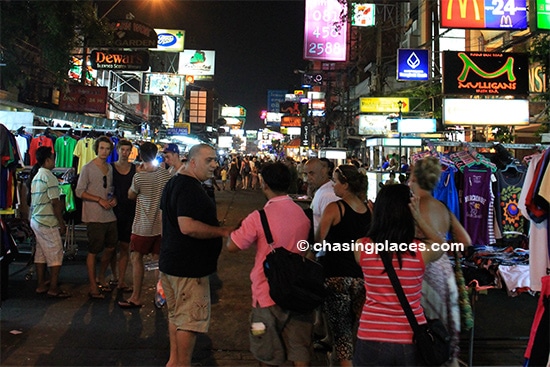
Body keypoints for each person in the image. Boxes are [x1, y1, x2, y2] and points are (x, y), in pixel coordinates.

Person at [227, 162, 313, 367]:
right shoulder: (303, 214)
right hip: (299, 292)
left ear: (264, 184)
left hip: (265, 295)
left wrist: (237, 228)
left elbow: (233, 246)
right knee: (300, 350)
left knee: (265, 350)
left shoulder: (258, 218)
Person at [353, 184, 446, 366]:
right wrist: (419, 218)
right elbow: (440, 243)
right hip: (410, 338)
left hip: (370, 335)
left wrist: (378, 217)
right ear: (410, 213)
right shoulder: (420, 250)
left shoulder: (361, 247)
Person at [159, 143, 233, 367]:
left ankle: (174, 362)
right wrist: (222, 231)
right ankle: (182, 363)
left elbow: (166, 225)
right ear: (192, 162)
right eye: (209, 160)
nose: (215, 165)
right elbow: (187, 226)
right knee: (189, 323)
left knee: (177, 317)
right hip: (188, 269)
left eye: (214, 160)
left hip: (172, 264)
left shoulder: (174, 182)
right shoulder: (189, 187)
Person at [409, 156, 472, 365]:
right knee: (441, 328)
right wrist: (444, 247)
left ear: (414, 178)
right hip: (444, 270)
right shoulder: (443, 207)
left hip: (420, 269)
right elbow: (465, 241)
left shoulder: (412, 207)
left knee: (422, 328)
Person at [316, 165, 371, 366]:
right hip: (361, 277)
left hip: (336, 276)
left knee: (341, 335)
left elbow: (318, 241)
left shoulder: (335, 208)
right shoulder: (368, 210)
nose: (333, 185)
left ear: (346, 185)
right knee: (357, 331)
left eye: (336, 181)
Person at [118, 142, 172, 309]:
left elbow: (131, 195)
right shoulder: (166, 175)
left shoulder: (139, 176)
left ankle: (136, 297)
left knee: (136, 258)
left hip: (142, 225)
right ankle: (160, 297)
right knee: (157, 261)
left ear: (140, 155)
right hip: (161, 226)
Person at [75, 136, 118, 299]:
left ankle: (101, 276)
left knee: (111, 247)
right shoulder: (87, 168)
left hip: (109, 214)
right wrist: (98, 199)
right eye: (101, 148)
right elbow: (80, 191)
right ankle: (93, 285)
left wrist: (114, 199)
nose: (104, 151)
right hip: (94, 215)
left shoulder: (110, 168)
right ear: (96, 149)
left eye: (107, 149)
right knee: (93, 249)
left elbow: (111, 189)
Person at [29, 146, 70, 298]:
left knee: (40, 253)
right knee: (56, 253)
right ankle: (53, 287)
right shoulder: (50, 177)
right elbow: (55, 203)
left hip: (36, 219)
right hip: (47, 221)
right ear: (47, 160)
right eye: (52, 158)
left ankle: (41, 284)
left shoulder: (36, 176)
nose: (54, 161)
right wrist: (61, 223)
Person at [110, 139, 136, 292]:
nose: (125, 153)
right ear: (118, 150)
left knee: (125, 246)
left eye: (128, 150)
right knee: (112, 246)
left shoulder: (135, 169)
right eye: (123, 150)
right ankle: (113, 276)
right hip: (113, 210)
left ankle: (121, 279)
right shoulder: (110, 168)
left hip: (130, 211)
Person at [304, 158, 339, 232]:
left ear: (323, 172)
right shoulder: (321, 191)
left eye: (312, 173)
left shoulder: (328, 196)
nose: (308, 178)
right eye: (306, 174)